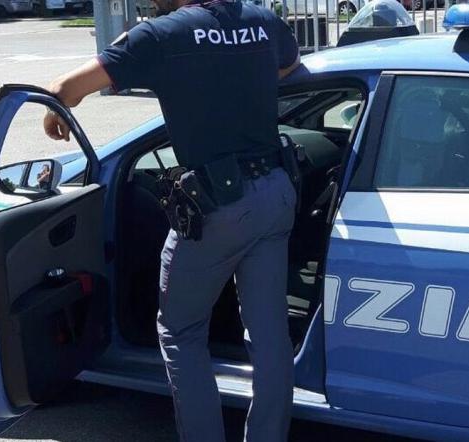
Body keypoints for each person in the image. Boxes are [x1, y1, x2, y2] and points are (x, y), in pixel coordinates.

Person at [41, 0, 301, 440]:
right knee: (269, 334)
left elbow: (67, 88)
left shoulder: (161, 36)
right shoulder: (262, 21)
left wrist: (54, 108)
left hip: (217, 205)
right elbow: (288, 67)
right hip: (276, 193)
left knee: (181, 331)